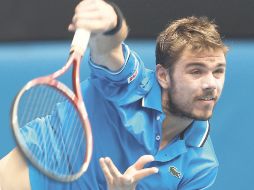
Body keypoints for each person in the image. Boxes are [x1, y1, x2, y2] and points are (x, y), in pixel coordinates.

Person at [0, 0, 228, 189]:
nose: (211, 84)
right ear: (163, 76)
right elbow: (108, 48)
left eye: (218, 72)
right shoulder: (132, 83)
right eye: (196, 71)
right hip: (29, 177)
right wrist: (111, 22)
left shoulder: (202, 166)